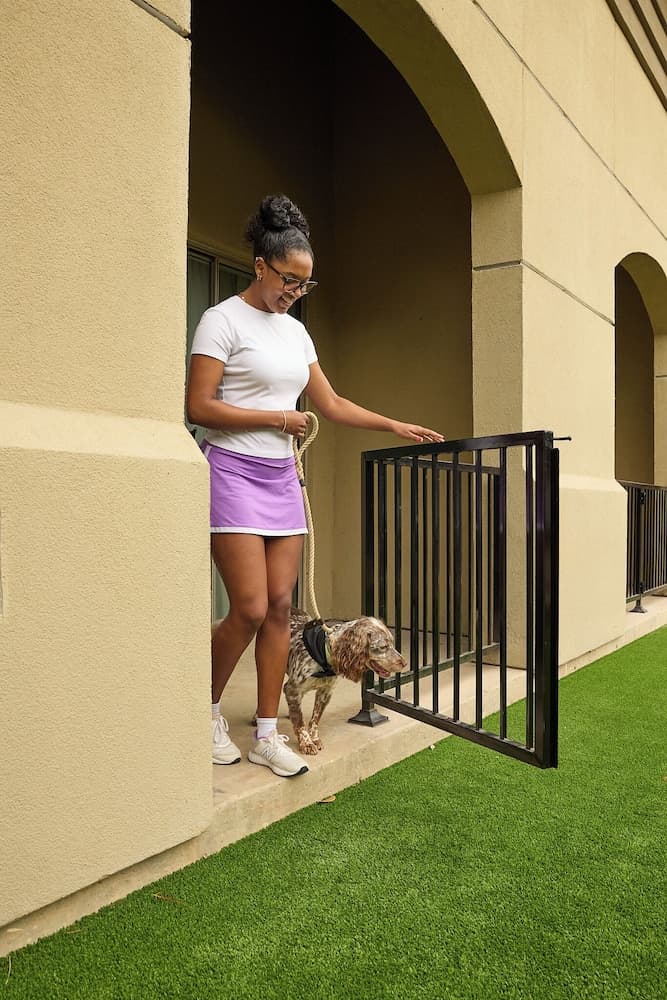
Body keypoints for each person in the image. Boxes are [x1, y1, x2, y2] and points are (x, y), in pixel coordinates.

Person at [187, 193, 443, 778]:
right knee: (249, 607)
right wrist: (279, 417)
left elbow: (328, 402)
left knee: (281, 608)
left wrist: (393, 424)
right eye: (288, 279)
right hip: (232, 471)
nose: (295, 291)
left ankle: (267, 733)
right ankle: (204, 712)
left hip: (282, 477)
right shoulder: (221, 320)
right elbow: (198, 406)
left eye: (305, 284)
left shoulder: (296, 334)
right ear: (261, 266)